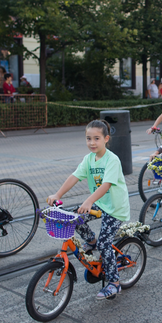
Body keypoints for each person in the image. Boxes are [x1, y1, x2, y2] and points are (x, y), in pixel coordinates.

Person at [47, 120, 129, 300]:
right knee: (74, 218)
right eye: (88, 138)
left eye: (96, 138)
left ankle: (114, 283)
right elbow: (74, 177)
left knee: (105, 244)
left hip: (115, 207)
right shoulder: (89, 159)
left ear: (106, 139)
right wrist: (57, 194)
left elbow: (106, 185)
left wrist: (89, 201)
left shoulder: (112, 160)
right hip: (100, 203)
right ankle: (91, 241)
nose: (92, 142)